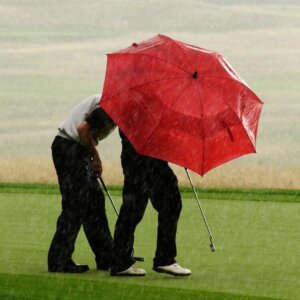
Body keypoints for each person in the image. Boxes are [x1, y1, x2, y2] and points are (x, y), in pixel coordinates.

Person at [48, 94, 116, 273]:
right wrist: (95, 157)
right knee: (75, 205)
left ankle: (107, 257)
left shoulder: (114, 103)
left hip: (74, 150)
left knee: (95, 202)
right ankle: (58, 260)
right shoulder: (111, 104)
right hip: (69, 149)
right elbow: (83, 128)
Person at [109, 131, 191, 277]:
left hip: (135, 159)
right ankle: (164, 258)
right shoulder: (148, 111)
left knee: (132, 211)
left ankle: (121, 261)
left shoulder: (133, 111)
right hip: (148, 160)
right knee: (169, 204)